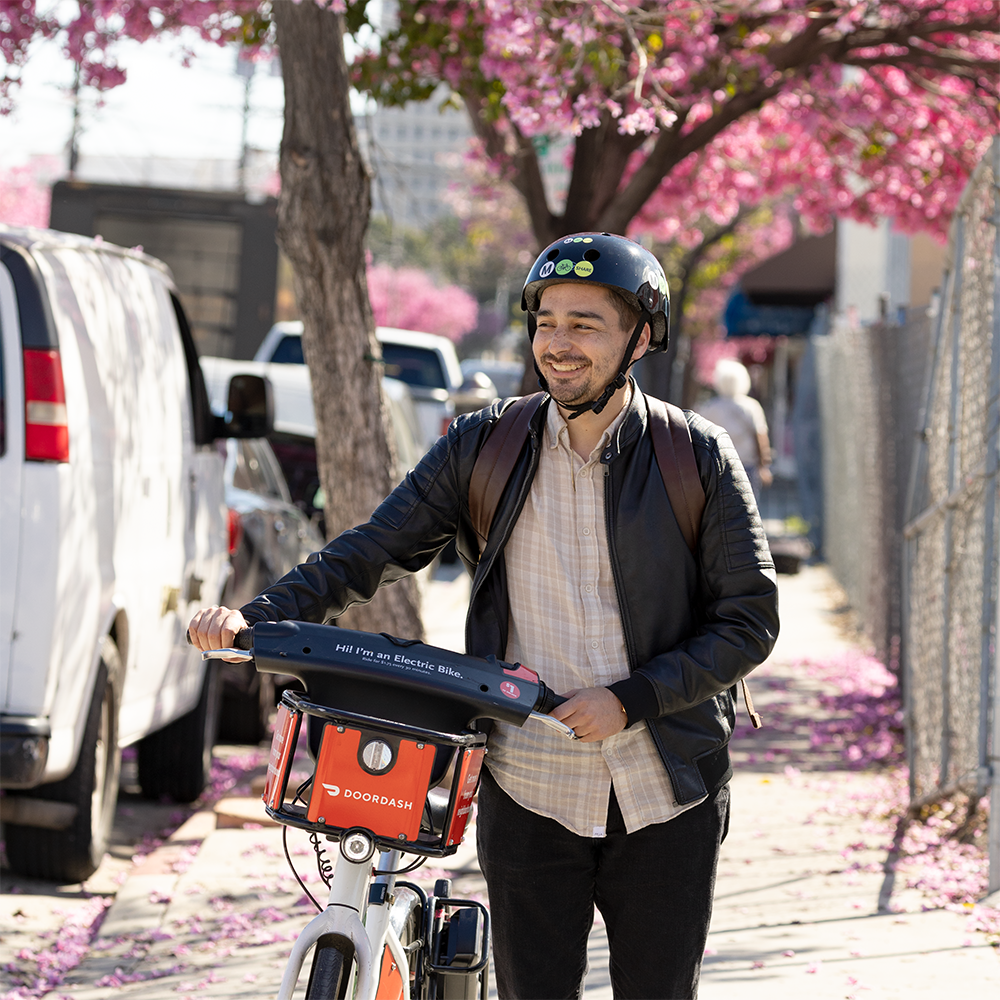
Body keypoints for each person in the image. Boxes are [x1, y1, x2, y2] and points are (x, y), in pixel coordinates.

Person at [189, 232, 779, 999]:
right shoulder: (485, 445)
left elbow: (749, 619)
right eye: (546, 322)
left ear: (640, 338)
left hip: (666, 787)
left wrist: (630, 701)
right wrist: (255, 617)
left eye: (585, 324)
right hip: (527, 783)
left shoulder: (693, 455)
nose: (557, 345)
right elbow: (372, 550)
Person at [698, 358, 773, 498]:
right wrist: (764, 466)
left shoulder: (710, 407)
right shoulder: (751, 407)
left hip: (719, 465)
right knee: (748, 508)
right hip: (746, 465)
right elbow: (760, 437)